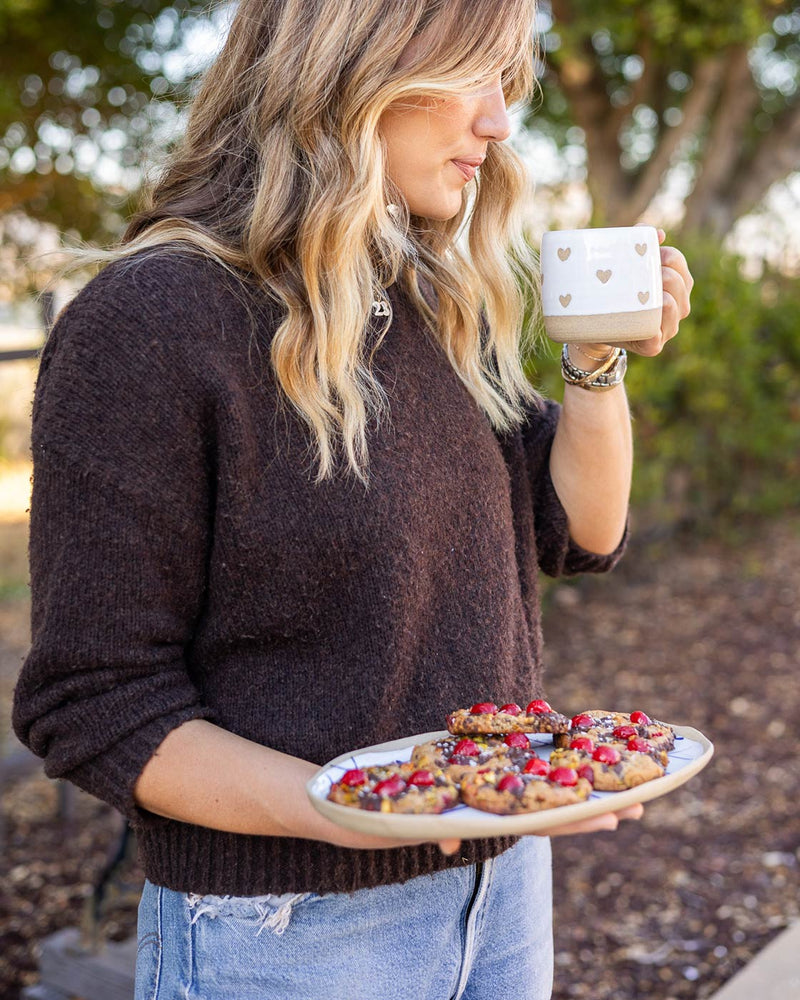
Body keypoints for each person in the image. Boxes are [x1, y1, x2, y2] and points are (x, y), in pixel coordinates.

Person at [12, 1, 693, 998]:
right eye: (474, 75)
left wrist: (593, 361)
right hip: (289, 933)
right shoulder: (152, 322)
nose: (498, 123)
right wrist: (371, 809)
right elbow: (96, 703)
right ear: (349, 67)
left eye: (506, 84)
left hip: (499, 888)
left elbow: (578, 531)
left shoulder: (424, 295)